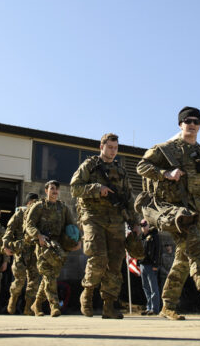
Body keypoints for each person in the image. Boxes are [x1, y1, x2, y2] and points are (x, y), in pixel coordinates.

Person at [136, 106, 200, 321]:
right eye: (187, 120)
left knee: (183, 259)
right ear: (180, 124)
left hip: (199, 213)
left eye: (195, 121)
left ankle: (168, 305)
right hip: (178, 214)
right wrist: (165, 173)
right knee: (197, 253)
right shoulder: (167, 149)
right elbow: (142, 166)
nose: (192, 124)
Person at [70, 132, 136, 319]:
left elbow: (129, 200)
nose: (113, 151)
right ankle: (88, 294)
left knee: (115, 264)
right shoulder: (90, 166)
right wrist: (97, 189)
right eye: (110, 147)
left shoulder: (121, 171)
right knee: (99, 258)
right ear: (102, 147)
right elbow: (74, 188)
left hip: (116, 220)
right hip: (93, 217)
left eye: (116, 148)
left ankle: (109, 306)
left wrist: (135, 223)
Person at [24, 180, 79, 317]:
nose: (55, 191)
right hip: (43, 245)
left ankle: (36, 304)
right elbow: (29, 225)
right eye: (52, 188)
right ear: (46, 190)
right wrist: (38, 235)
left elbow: (72, 226)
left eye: (56, 189)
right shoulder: (39, 206)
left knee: (51, 276)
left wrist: (77, 241)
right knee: (48, 275)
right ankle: (54, 306)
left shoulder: (63, 208)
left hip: (58, 248)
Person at [3, 192, 41, 315]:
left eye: (37, 202)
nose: (35, 204)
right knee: (19, 280)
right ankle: (13, 300)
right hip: (21, 251)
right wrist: (5, 245)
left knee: (34, 281)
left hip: (34, 252)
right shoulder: (19, 214)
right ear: (28, 203)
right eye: (33, 202)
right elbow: (9, 231)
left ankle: (28, 307)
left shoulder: (38, 216)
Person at [139, 220, 162, 315]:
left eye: (145, 225)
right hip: (142, 264)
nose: (143, 227)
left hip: (151, 265)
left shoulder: (154, 236)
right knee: (146, 287)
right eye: (142, 225)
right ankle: (148, 307)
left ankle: (155, 308)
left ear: (149, 225)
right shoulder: (141, 237)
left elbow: (158, 251)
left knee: (153, 288)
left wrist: (155, 265)